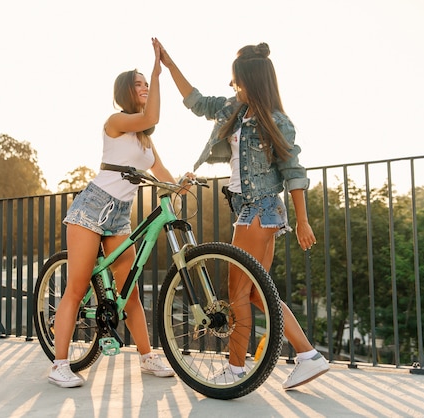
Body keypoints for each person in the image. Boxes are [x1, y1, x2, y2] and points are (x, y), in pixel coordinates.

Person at [156, 39, 330, 390]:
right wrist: (169, 64)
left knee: (237, 292)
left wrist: (304, 219)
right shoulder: (234, 111)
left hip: (259, 210)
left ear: (252, 81)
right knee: (254, 293)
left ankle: (236, 369)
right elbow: (196, 101)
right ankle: (308, 355)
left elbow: (292, 171)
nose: (231, 86)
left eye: (236, 80)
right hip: (250, 210)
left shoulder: (277, 121)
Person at [48, 38, 178, 388]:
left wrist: (181, 186)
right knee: (75, 288)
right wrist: (157, 69)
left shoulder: (145, 139)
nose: (146, 87)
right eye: (140, 84)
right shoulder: (117, 120)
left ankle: (147, 356)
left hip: (119, 215)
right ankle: (60, 364)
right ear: (126, 91)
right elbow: (152, 115)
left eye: (147, 84)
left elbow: (161, 170)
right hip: (91, 209)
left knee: (130, 292)